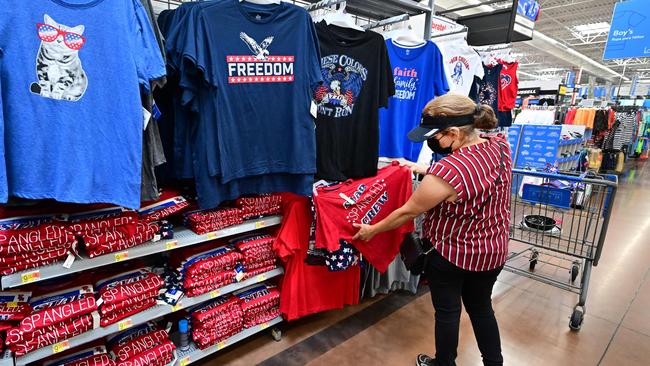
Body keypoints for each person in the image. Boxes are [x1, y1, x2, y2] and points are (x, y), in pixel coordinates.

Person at [353, 94, 512, 366]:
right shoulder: (499, 146)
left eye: (435, 137)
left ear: (453, 132)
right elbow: (469, 175)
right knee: (482, 309)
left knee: (448, 313)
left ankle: (444, 363)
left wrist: (372, 230)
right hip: (492, 251)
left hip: (453, 254)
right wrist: (422, 168)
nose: (432, 142)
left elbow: (407, 211)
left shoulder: (449, 170)